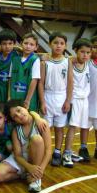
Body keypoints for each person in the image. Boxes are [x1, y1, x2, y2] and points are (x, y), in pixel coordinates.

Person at [0, 99, 51, 193]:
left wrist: (40, 171)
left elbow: (48, 152)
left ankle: (36, 178)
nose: (19, 115)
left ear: (25, 107)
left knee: (37, 139)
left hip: (36, 158)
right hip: (23, 160)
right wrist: (29, 167)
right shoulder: (16, 131)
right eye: (15, 116)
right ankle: (25, 174)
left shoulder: (41, 124)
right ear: (14, 120)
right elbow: (17, 155)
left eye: (19, 110)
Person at [38, 31, 73, 167]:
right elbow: (40, 82)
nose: (58, 46)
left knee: (59, 128)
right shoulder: (44, 61)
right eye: (55, 43)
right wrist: (42, 101)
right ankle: (45, 151)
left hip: (62, 97)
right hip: (48, 96)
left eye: (62, 43)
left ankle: (57, 152)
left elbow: (70, 82)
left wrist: (68, 101)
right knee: (46, 128)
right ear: (49, 44)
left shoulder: (67, 61)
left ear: (65, 46)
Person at [62, 38, 91, 168]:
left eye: (87, 52)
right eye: (82, 52)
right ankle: (66, 153)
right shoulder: (69, 63)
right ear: (75, 51)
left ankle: (70, 150)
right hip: (74, 100)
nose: (85, 55)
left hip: (84, 100)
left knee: (77, 127)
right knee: (72, 127)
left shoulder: (87, 63)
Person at [9, 33, 40, 111]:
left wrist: (28, 100)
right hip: (14, 96)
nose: (28, 46)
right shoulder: (14, 59)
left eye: (31, 44)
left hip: (28, 98)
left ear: (36, 47)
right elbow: (10, 79)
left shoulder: (35, 59)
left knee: (27, 119)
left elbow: (34, 80)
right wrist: (9, 96)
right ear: (21, 44)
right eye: (25, 43)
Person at [0, 29, 18, 102]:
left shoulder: (16, 55)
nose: (7, 46)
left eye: (10, 43)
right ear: (0, 44)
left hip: (9, 88)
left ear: (14, 43)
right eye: (4, 44)